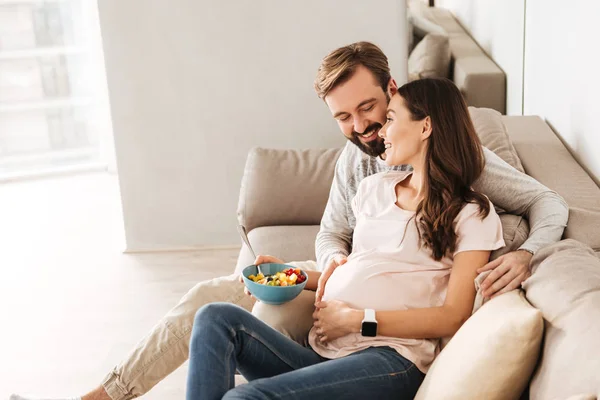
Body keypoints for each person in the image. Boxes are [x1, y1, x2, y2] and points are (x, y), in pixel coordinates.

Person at [11, 42, 568, 400]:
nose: (360, 127)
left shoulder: (457, 164)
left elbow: (546, 204)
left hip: (394, 328)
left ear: (396, 95)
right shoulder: (366, 171)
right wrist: (327, 266)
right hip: (345, 272)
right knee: (213, 306)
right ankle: (105, 396)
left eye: (370, 109)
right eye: (343, 118)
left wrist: (525, 252)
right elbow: (333, 232)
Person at [185, 78, 506, 399]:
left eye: (391, 119)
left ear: (425, 127)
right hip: (327, 351)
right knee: (215, 317)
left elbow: (454, 316)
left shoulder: (471, 212)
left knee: (243, 398)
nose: (381, 132)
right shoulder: (375, 189)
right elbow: (361, 267)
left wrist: (359, 322)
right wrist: (290, 275)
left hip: (391, 359)